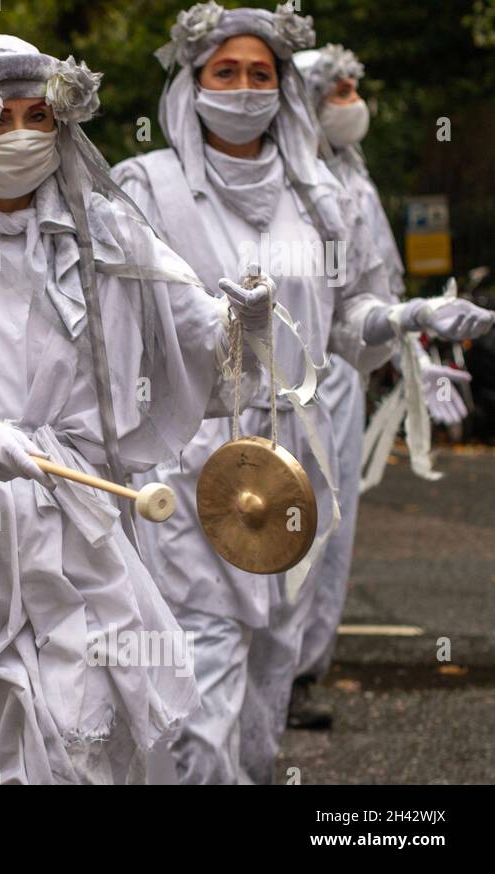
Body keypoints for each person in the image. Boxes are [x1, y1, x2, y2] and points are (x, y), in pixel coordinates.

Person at [0, 33, 280, 785]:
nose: (20, 137)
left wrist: (251, 325)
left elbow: (218, 369)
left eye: (40, 117)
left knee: (88, 749)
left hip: (86, 531)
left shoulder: (111, 239)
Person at [111, 3, 493, 784]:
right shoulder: (147, 189)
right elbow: (120, 326)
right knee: (203, 645)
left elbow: (349, 319)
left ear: (283, 87)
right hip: (195, 458)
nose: (245, 88)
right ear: (193, 84)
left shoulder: (320, 196)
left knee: (274, 651)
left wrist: (407, 316)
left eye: (261, 74)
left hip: (297, 457)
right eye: (226, 72)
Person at [288, 43, 476, 729]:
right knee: (280, 517)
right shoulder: (285, 179)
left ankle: (303, 671)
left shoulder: (355, 180)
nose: (351, 104)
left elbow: (371, 292)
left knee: (330, 527)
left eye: (351, 90)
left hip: (341, 375)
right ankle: (262, 669)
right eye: (336, 92)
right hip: (283, 374)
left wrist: (409, 347)